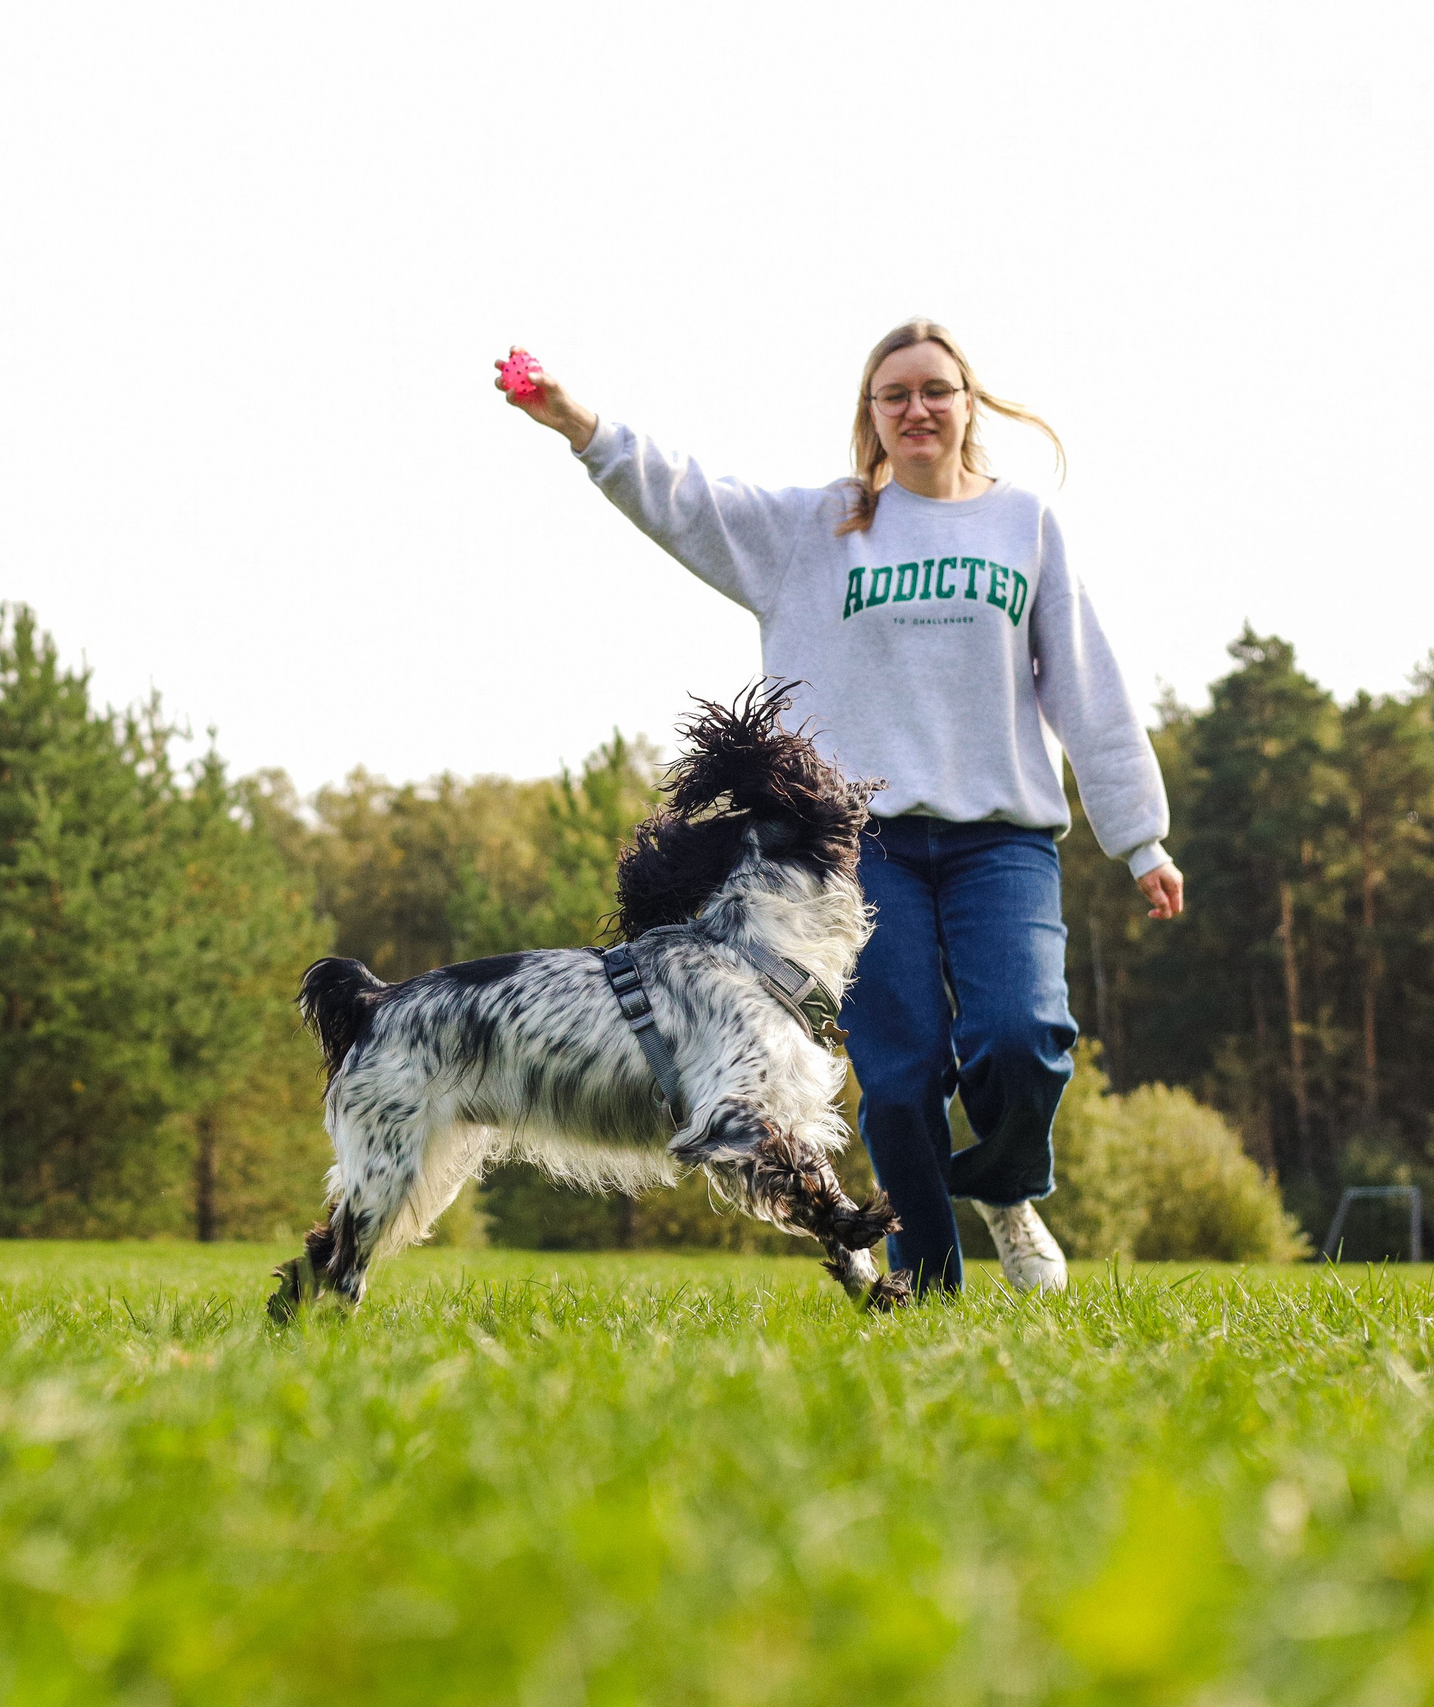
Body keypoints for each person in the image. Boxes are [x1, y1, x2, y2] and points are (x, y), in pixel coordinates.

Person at [498, 320, 1183, 1297]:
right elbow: (687, 499)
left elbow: (1086, 683)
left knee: (1020, 1040)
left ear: (967, 403)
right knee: (899, 1080)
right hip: (857, 854)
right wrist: (581, 426)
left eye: (935, 390)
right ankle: (927, 1292)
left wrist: (1140, 836)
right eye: (894, 393)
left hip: (1004, 840)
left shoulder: (1022, 524)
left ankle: (1009, 1188)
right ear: (871, 415)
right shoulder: (815, 529)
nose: (917, 408)